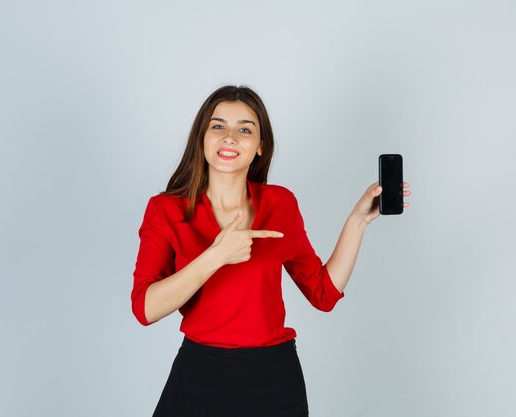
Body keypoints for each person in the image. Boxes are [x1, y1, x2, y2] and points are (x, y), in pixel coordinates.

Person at [131, 85, 411, 417]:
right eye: (218, 126)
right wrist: (215, 256)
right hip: (198, 374)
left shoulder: (281, 204)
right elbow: (144, 309)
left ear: (261, 145)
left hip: (273, 378)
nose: (230, 137)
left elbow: (323, 293)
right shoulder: (165, 210)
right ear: (202, 138)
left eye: (245, 129)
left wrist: (357, 222)